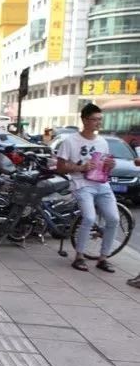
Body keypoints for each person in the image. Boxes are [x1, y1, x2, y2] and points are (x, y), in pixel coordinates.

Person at [56, 103, 119, 272]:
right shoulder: (70, 141)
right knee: (90, 218)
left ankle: (103, 258)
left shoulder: (102, 142)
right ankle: (79, 256)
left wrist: (110, 165)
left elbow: (104, 166)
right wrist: (81, 168)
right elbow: (60, 167)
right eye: (95, 119)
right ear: (84, 120)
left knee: (114, 219)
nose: (99, 123)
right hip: (82, 185)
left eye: (100, 119)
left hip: (102, 185)